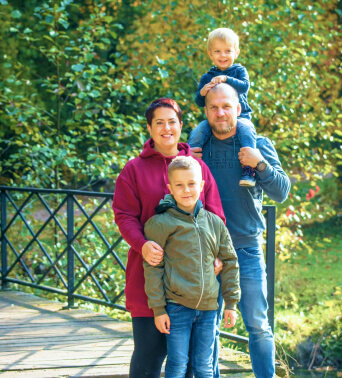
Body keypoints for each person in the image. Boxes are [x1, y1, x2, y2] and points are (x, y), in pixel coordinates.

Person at [112, 98, 225, 378]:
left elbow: (216, 216)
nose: (166, 128)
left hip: (193, 283)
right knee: (148, 358)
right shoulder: (133, 170)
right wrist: (142, 244)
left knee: (188, 364)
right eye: (159, 123)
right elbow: (124, 215)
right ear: (149, 128)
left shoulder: (197, 169)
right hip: (149, 278)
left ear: (181, 126)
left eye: (172, 122)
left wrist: (217, 254)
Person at [189, 83, 291, 378]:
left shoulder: (258, 143)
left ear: (238, 108)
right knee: (209, 327)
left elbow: (281, 192)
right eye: (213, 107)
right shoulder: (197, 148)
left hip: (246, 249)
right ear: (206, 111)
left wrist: (260, 165)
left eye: (226, 106)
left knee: (258, 325)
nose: (220, 113)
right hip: (205, 251)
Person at [143, 156, 240, 378]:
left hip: (209, 308)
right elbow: (153, 269)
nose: (186, 190)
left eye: (192, 184)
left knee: (204, 366)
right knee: (177, 364)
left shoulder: (214, 222)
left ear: (202, 185)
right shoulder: (161, 224)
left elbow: (230, 261)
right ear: (170, 188)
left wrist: (231, 303)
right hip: (177, 307)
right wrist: (158, 309)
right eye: (179, 185)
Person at [189, 27, 256, 187]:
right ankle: (188, 167)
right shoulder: (207, 77)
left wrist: (226, 79)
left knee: (247, 132)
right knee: (197, 133)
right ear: (210, 54)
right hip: (214, 119)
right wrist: (203, 92)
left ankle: (248, 170)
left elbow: (244, 87)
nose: (223, 55)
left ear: (236, 52)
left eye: (227, 51)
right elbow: (199, 101)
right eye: (218, 51)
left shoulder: (239, 71)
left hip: (241, 117)